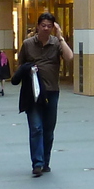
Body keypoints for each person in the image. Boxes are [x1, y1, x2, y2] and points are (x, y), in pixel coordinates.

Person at [14, 13, 73, 176]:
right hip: (32, 94)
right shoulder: (27, 44)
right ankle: (37, 163)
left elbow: (69, 57)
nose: (46, 28)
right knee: (36, 127)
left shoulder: (56, 43)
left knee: (48, 129)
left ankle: (45, 161)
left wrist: (60, 37)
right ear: (38, 26)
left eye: (49, 26)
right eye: (43, 25)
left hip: (51, 92)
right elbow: (20, 66)